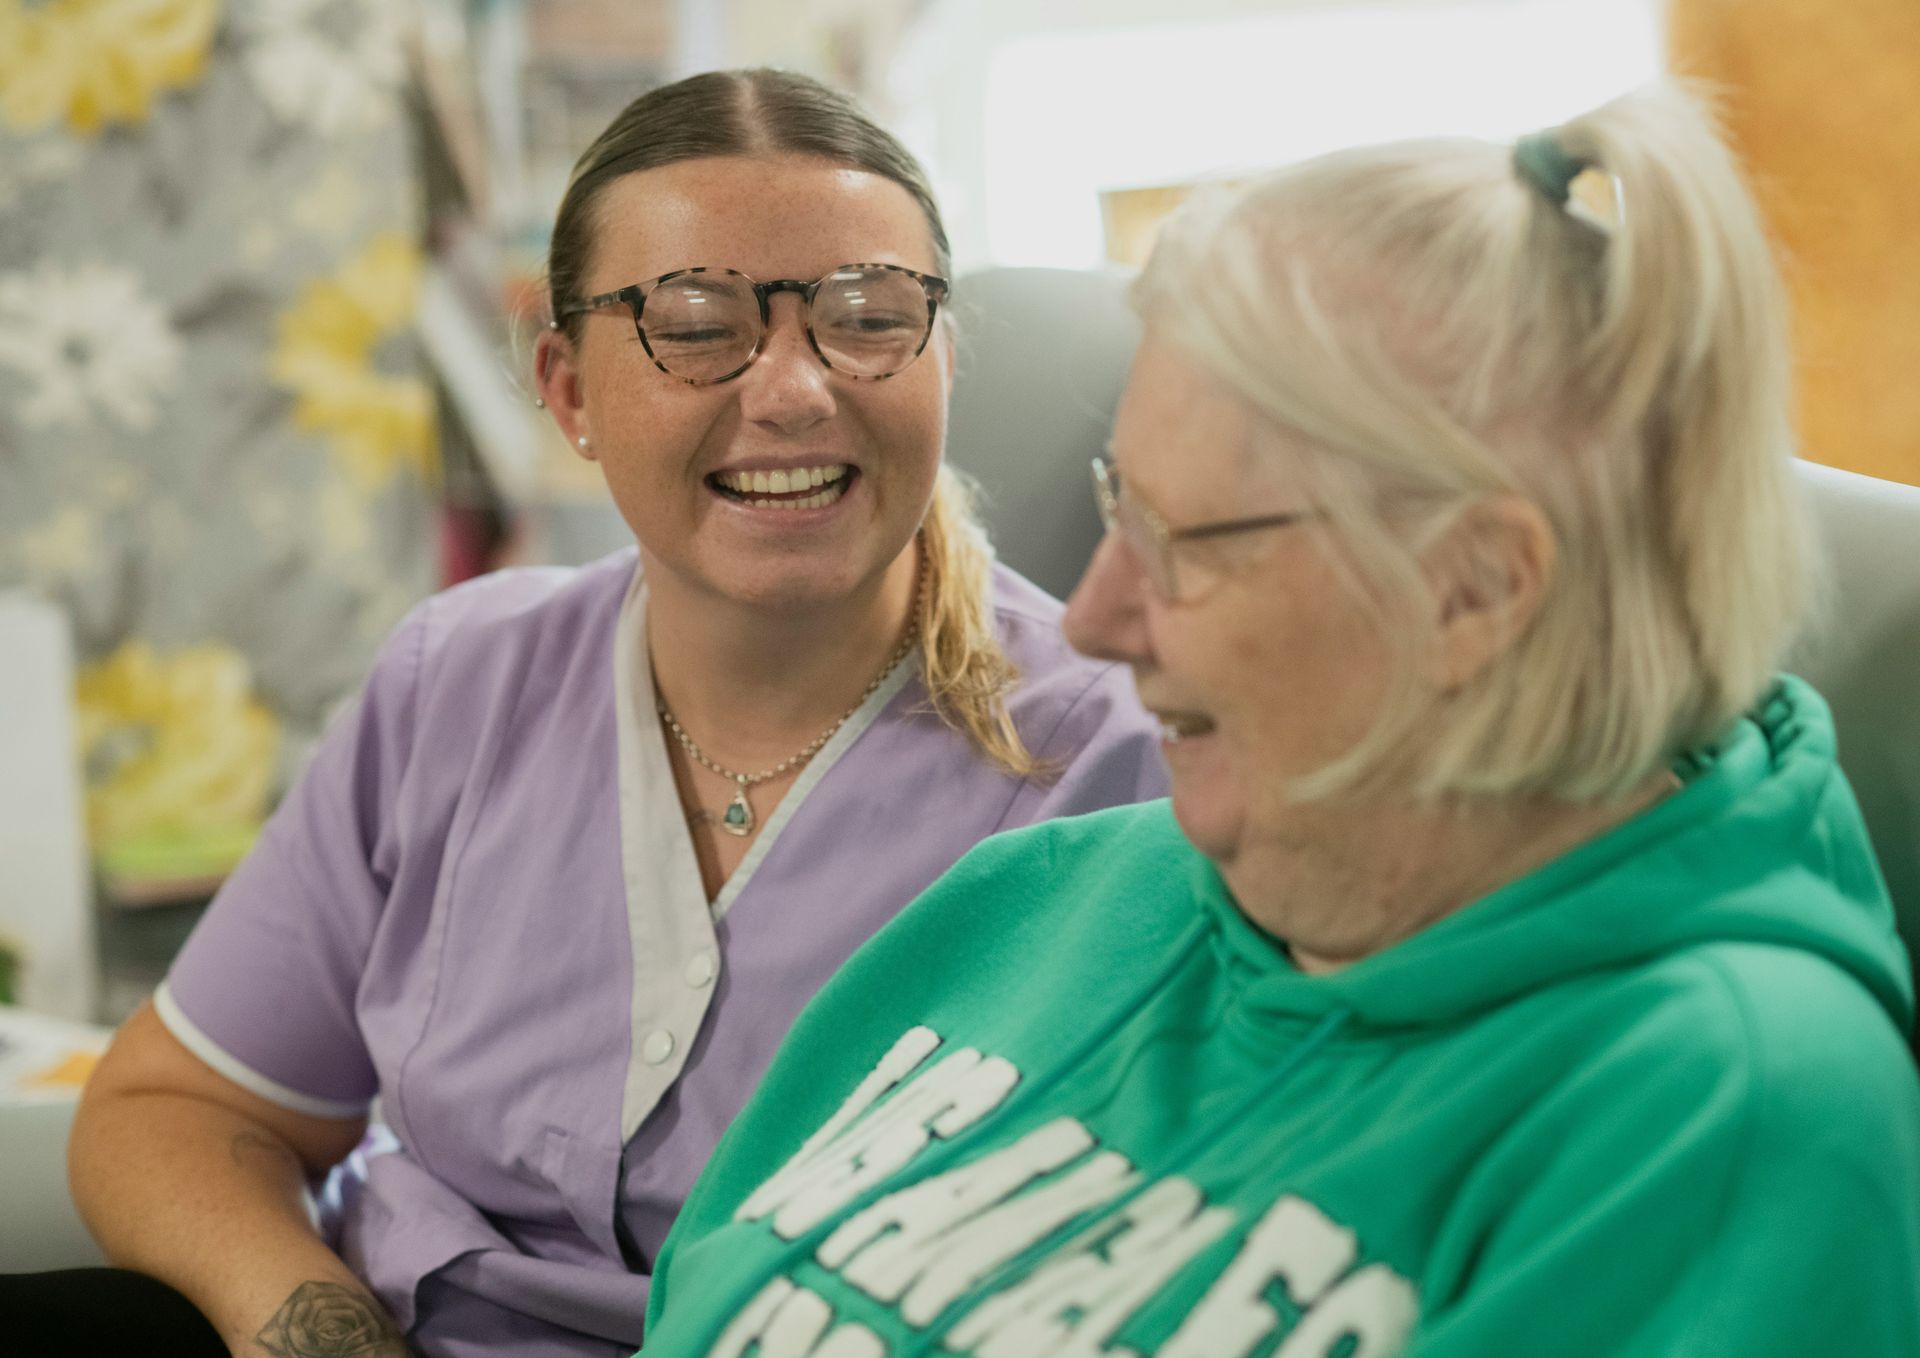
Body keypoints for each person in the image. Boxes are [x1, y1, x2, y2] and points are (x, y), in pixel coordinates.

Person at [634, 83, 1920, 1358]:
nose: (1095, 617)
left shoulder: (1714, 1116)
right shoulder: (1044, 897)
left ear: (1472, 586)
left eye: (1185, 545)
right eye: (1115, 507)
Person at [44, 69, 1167, 1358]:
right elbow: (176, 1102)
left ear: (945, 362)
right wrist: (321, 1331)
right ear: (569, 390)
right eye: (695, 323)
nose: (797, 389)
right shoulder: (457, 682)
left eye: (867, 317)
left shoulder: (1124, 774)